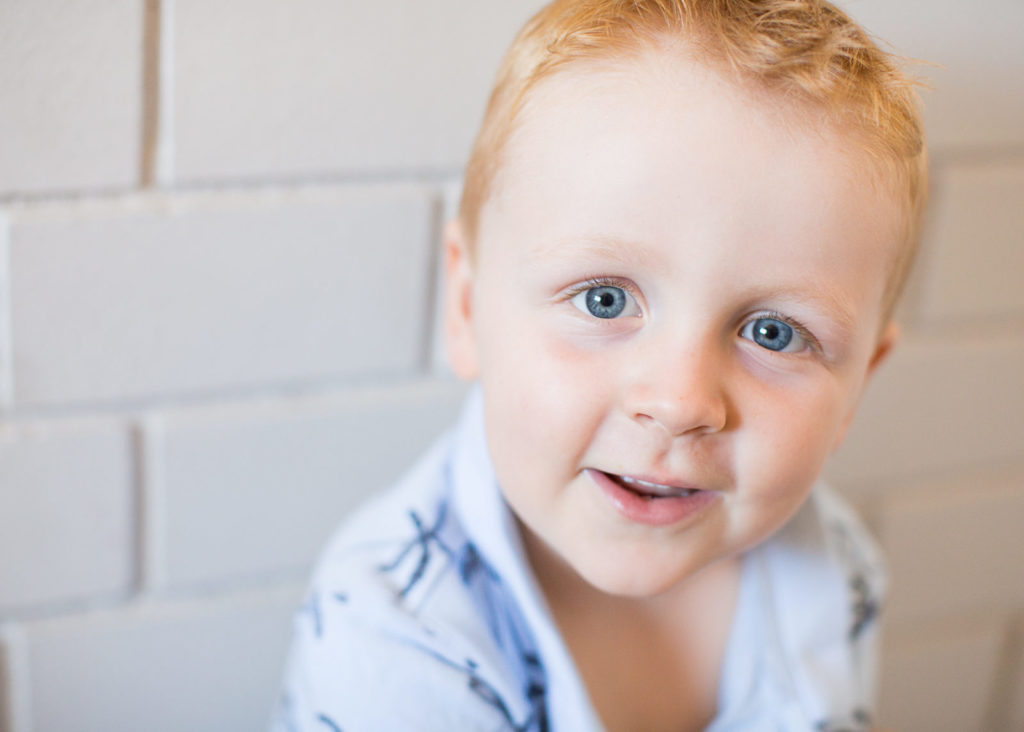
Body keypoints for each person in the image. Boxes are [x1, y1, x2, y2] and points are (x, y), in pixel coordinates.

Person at [273, 0, 927, 729]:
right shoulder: (393, 645)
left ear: (858, 385)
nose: (680, 402)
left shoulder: (838, 567)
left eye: (773, 333)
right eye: (606, 300)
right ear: (466, 306)